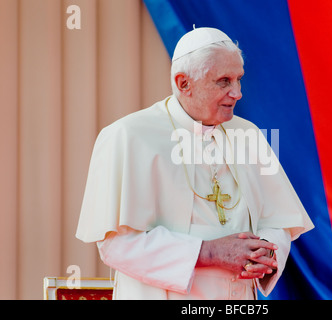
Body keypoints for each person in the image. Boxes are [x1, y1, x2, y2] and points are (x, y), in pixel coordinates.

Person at [76, 27, 314, 300]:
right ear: (183, 83)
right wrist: (209, 252)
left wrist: (266, 251)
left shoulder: (248, 134)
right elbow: (115, 245)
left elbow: (280, 221)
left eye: (239, 79)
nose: (237, 93)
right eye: (224, 81)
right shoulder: (128, 136)